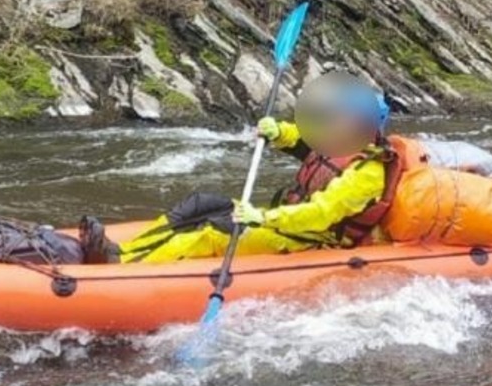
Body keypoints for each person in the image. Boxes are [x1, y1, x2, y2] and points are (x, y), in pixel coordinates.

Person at [115, 71, 406, 263]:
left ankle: (124, 270)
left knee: (215, 231)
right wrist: (277, 131)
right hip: (284, 224)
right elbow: (301, 140)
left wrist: (261, 219)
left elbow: (319, 215)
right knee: (201, 204)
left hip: (307, 241)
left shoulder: (367, 172)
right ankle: (122, 252)